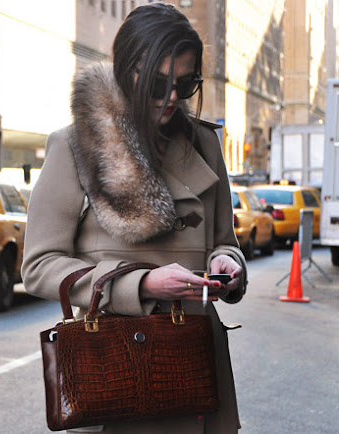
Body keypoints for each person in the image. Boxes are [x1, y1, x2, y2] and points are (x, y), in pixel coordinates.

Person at [21, 4, 247, 433]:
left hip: (198, 364)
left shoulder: (204, 144)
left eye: (186, 83)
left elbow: (224, 240)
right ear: (126, 70)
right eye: (159, 83)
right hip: (119, 367)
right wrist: (139, 285)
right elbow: (39, 267)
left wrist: (227, 264)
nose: (173, 97)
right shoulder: (76, 145)